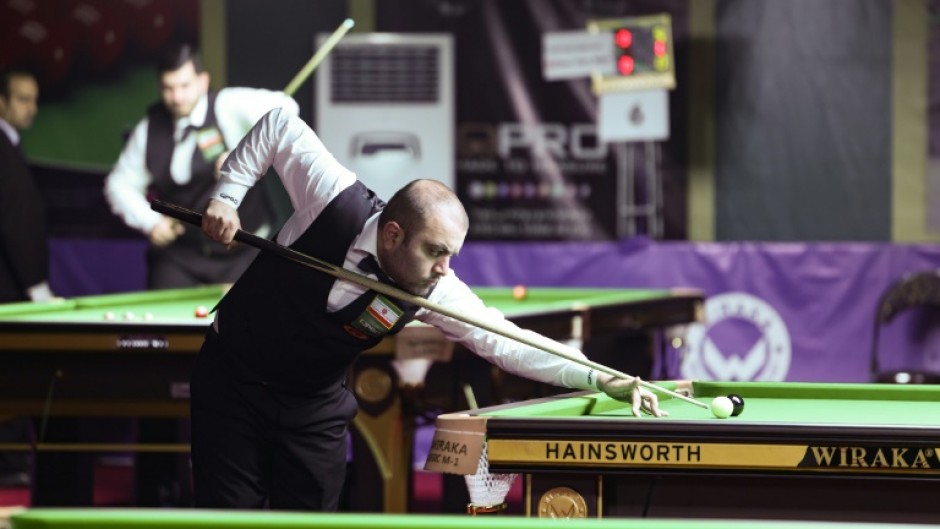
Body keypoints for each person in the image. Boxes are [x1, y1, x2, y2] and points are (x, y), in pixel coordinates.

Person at [191, 107, 668, 511]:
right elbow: (279, 125)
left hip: (313, 406)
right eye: (435, 251)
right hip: (232, 382)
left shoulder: (434, 289)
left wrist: (602, 377)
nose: (443, 269)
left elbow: (505, 340)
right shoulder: (331, 197)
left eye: (451, 256)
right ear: (394, 234)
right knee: (231, 517)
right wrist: (229, 196)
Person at [104, 43, 299, 289]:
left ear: (202, 82)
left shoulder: (228, 105)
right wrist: (150, 222)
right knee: (162, 322)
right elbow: (119, 185)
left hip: (245, 248)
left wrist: (244, 156)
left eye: (184, 86)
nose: (176, 97)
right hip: (184, 254)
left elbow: (287, 111)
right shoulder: (148, 131)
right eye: (168, 88)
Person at [0, 67, 53, 488]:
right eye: (22, 99)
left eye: (34, 99)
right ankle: (9, 463)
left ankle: (13, 460)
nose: (31, 108)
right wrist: (36, 287)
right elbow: (14, 223)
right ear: (1, 101)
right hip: (9, 290)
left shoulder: (9, 145)